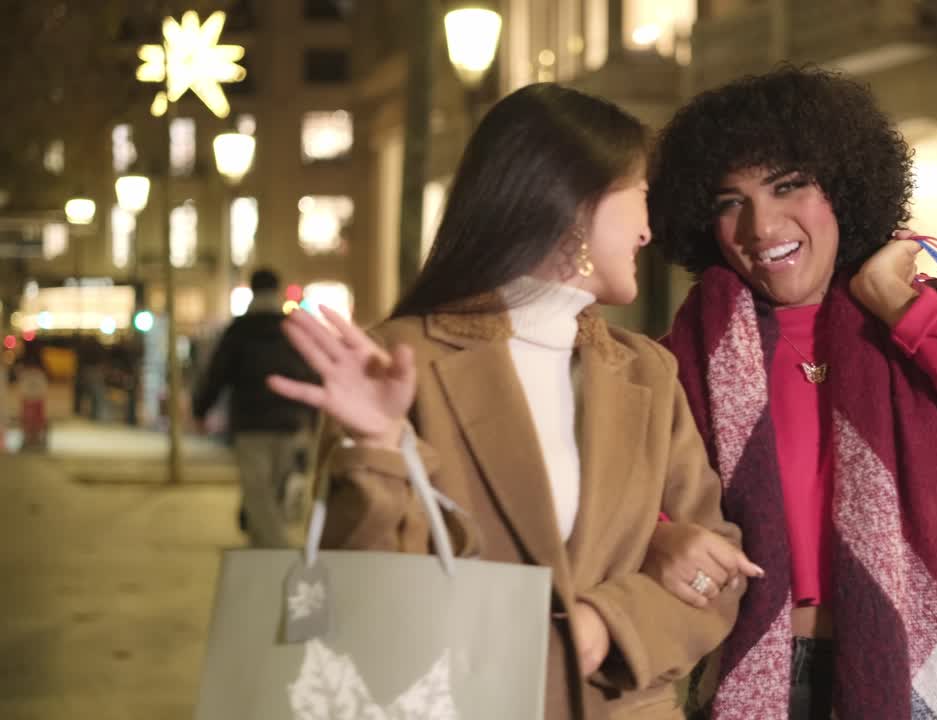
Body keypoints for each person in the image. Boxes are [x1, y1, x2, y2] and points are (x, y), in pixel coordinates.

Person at [268, 83, 745, 719]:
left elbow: (720, 570)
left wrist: (610, 621)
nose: (647, 229)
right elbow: (359, 594)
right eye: (639, 194)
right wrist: (374, 449)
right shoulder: (402, 362)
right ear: (576, 201)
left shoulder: (647, 372)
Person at [644, 66, 937, 719]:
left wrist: (892, 297)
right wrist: (660, 539)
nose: (760, 226)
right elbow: (636, 501)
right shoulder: (688, 357)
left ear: (843, 187)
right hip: (750, 665)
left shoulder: (914, 325)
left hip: (921, 667)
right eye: (730, 202)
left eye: (788, 186)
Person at [193, 268, 317, 548]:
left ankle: (270, 546)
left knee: (257, 488)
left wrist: (201, 411)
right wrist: (311, 418)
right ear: (278, 290)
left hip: (250, 424)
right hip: (290, 422)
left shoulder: (239, 330)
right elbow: (312, 375)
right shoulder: (292, 329)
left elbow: (217, 374)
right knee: (280, 486)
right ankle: (269, 542)